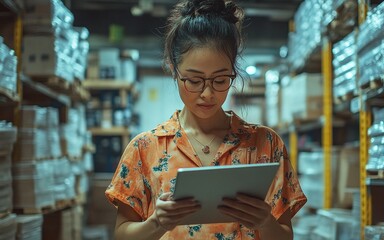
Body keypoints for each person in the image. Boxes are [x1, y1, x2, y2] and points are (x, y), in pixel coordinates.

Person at [105, 0, 307, 239]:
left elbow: (285, 235)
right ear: (173, 68)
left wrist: (265, 222)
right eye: (194, 80)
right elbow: (122, 235)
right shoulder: (146, 148)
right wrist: (157, 223)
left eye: (220, 80)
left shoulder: (265, 144)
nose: (208, 94)